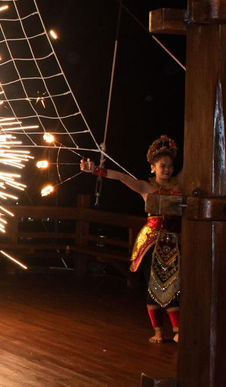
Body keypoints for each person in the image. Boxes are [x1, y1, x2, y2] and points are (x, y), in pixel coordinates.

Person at [81, 135, 182, 343]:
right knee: (155, 282)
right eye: (162, 166)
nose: (167, 169)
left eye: (170, 166)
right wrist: (96, 170)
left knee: (174, 282)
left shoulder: (179, 185)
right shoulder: (146, 187)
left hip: (173, 242)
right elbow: (122, 178)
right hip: (151, 243)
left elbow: (191, 164)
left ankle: (178, 330)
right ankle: (158, 332)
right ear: (153, 167)